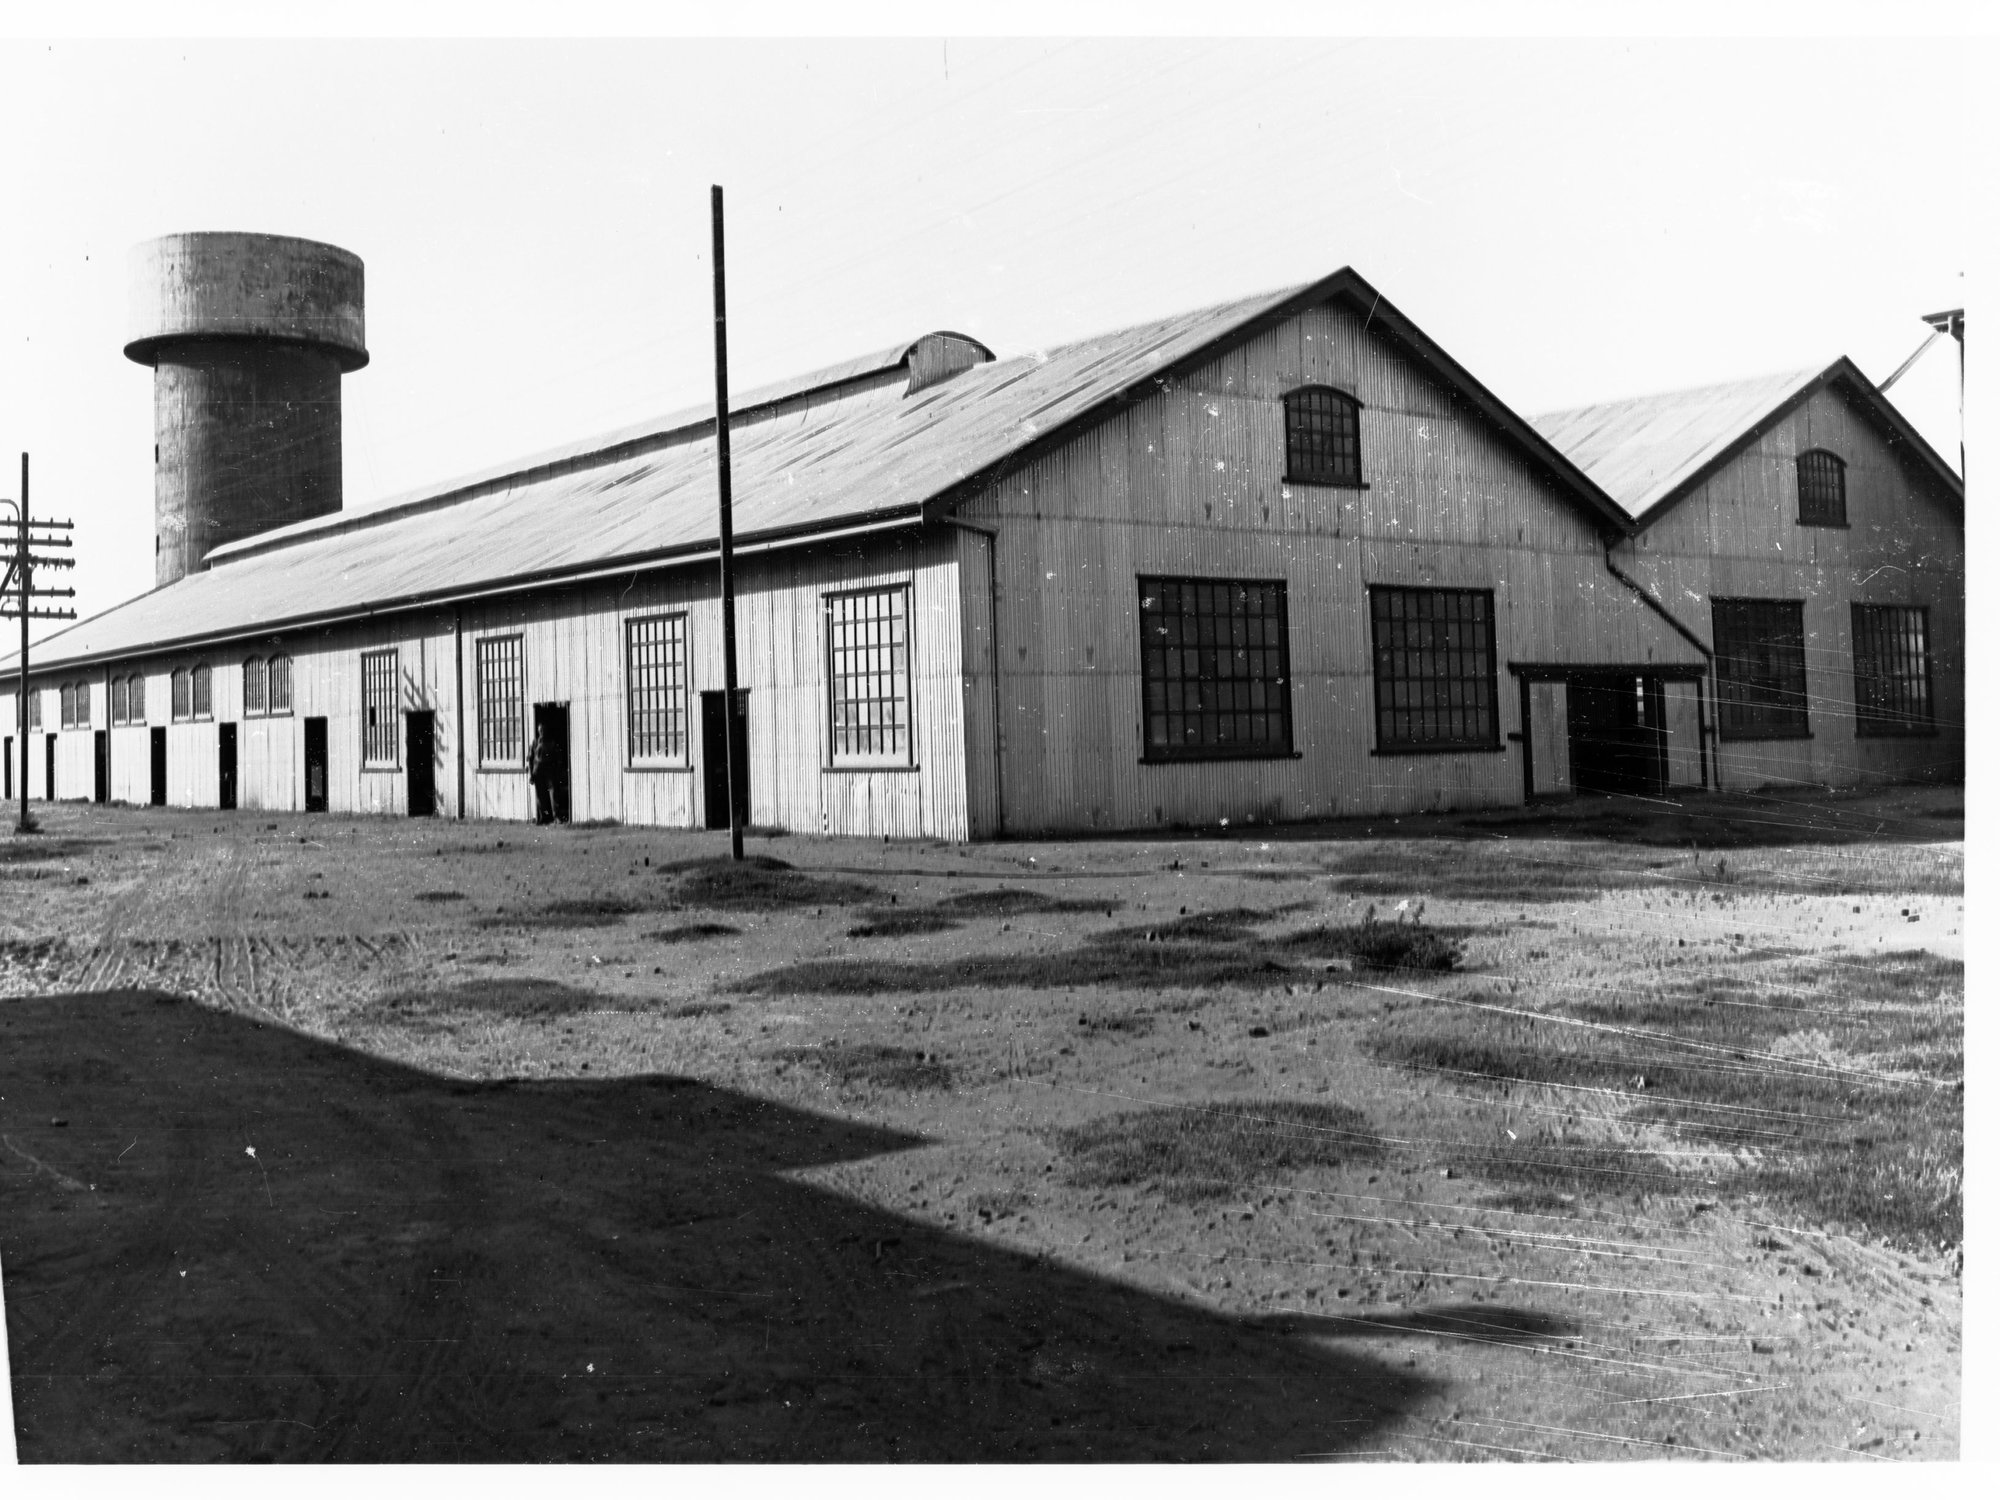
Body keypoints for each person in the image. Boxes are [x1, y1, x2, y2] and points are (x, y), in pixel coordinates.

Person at [528, 722, 555, 825]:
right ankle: (542, 817)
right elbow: (530, 758)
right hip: (538, 770)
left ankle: (555, 816)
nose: (542, 732)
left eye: (543, 730)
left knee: (553, 792)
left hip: (549, 769)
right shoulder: (535, 742)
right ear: (538, 731)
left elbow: (555, 757)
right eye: (540, 731)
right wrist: (531, 774)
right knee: (540, 795)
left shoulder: (550, 742)